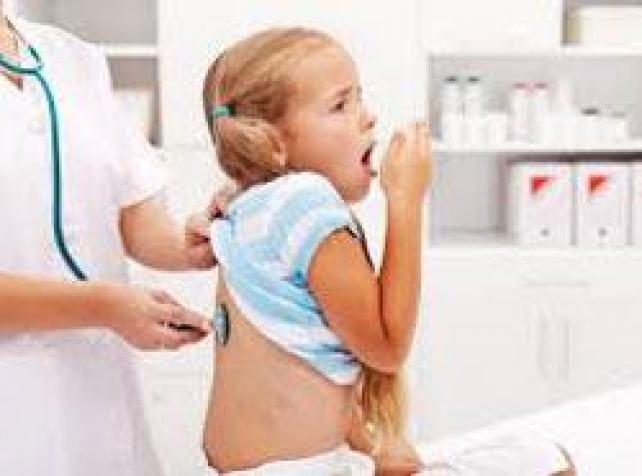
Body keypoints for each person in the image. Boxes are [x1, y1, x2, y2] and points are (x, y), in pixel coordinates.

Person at [199, 27, 577, 475]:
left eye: (359, 98)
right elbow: (385, 348)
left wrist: (377, 452)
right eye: (340, 105)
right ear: (275, 144)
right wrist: (406, 201)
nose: (368, 117)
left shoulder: (248, 211)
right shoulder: (304, 202)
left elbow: (303, 370)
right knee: (546, 460)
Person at [0, 6, 214, 476]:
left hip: (103, 410)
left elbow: (131, 214)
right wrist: (102, 306)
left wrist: (192, 244)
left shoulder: (71, 59)